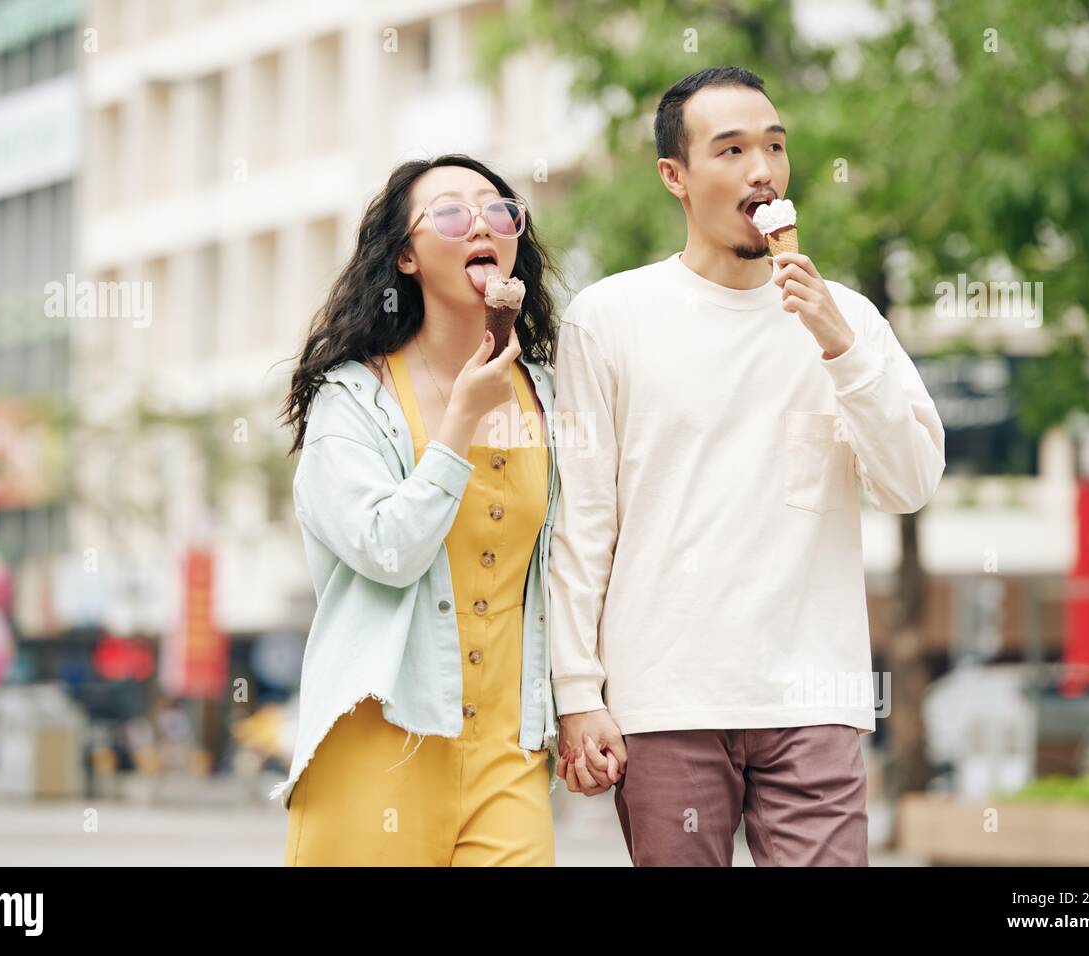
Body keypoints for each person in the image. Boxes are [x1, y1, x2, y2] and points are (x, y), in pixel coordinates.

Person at [549, 67, 945, 866]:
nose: (761, 169)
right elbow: (583, 521)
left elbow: (909, 484)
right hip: (663, 698)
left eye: (773, 146)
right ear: (676, 177)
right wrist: (577, 696)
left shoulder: (849, 320)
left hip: (816, 696)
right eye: (730, 150)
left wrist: (839, 347)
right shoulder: (609, 319)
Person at [274, 154, 563, 866]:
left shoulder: (551, 396)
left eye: (499, 211)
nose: (483, 227)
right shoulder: (352, 401)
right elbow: (388, 550)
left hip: (508, 755)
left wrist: (583, 704)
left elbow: (581, 560)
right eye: (452, 214)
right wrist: (461, 420)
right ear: (405, 256)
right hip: (378, 746)